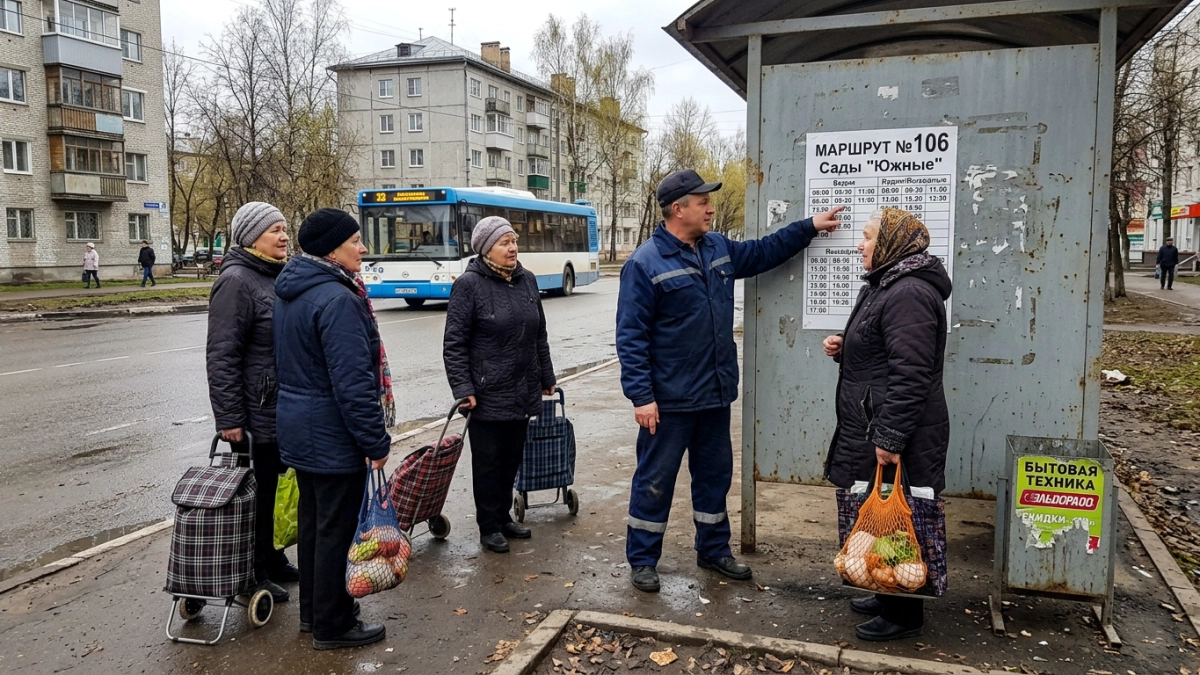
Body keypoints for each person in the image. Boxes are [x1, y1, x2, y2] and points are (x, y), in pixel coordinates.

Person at [615, 168, 843, 593]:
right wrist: (641, 397)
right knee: (655, 479)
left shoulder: (716, 247)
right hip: (668, 401)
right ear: (678, 209)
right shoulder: (645, 263)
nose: (711, 208)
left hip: (714, 394)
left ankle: (714, 550)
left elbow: (762, 252)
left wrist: (808, 227)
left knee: (715, 476)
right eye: (703, 202)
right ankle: (643, 559)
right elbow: (630, 336)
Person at [821, 208, 952, 641]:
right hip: (876, 420)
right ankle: (885, 588)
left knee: (901, 518)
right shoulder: (887, 285)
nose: (861, 244)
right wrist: (847, 347)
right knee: (881, 513)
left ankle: (904, 613)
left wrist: (891, 436)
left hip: (897, 429)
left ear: (892, 243)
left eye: (868, 237)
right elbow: (885, 352)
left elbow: (911, 372)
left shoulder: (908, 291)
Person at [274, 207, 393, 650]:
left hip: (302, 428)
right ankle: (334, 624)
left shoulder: (294, 289)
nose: (363, 248)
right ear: (332, 249)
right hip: (332, 432)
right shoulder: (338, 298)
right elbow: (353, 383)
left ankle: (313, 614)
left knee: (314, 525)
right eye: (355, 241)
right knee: (336, 531)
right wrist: (374, 440)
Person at [443, 216, 556, 554]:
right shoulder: (469, 285)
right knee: (488, 461)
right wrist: (463, 388)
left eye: (514, 241)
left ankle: (504, 516)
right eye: (504, 242)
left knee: (511, 458)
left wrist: (546, 376)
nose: (513, 247)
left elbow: (540, 334)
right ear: (485, 249)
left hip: (522, 386)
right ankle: (488, 525)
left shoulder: (527, 280)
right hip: (486, 391)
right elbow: (454, 343)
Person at [205, 201, 299, 608]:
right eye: (274, 230)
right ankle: (252, 571)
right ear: (250, 236)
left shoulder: (275, 276)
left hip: (280, 406)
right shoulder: (237, 280)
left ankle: (274, 558)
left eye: (284, 229)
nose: (283, 237)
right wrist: (229, 418)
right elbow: (222, 353)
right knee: (254, 495)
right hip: (252, 410)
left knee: (276, 490)